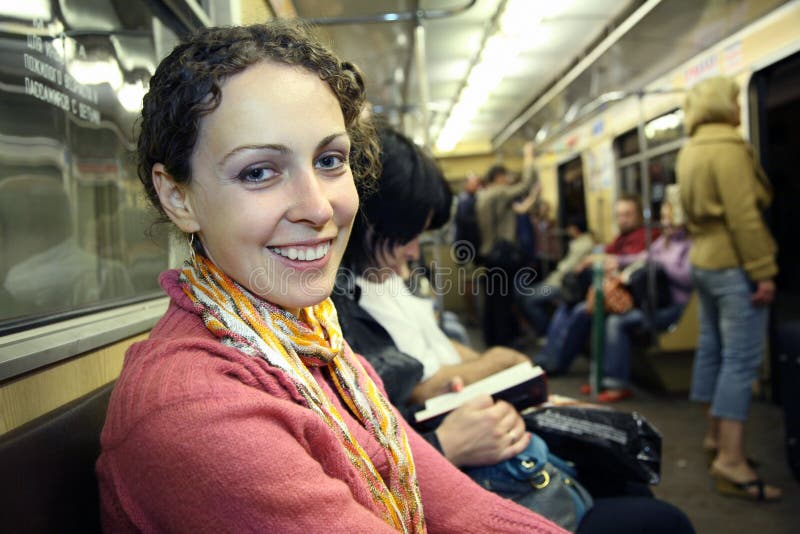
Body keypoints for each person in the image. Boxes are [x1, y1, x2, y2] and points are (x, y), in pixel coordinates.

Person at [95, 22, 567, 532]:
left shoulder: (316, 341)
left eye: (329, 160)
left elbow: (458, 506)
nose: (319, 208)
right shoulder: (196, 411)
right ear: (178, 197)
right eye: (259, 171)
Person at [335, 127, 694, 533]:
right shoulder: (346, 307)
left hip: (486, 424)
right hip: (468, 459)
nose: (415, 249)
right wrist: (504, 361)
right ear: (375, 224)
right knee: (661, 521)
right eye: (407, 235)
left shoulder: (391, 279)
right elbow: (417, 386)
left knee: (629, 480)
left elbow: (440, 347)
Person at [677, 75, 781, 501]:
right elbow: (744, 218)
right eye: (736, 100)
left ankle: (715, 438)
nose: (740, 107)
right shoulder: (730, 149)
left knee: (712, 349)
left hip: (703, 260)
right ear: (725, 105)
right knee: (740, 359)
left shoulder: (689, 150)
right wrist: (763, 270)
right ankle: (732, 461)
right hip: (733, 261)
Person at [536, 195, 656, 375]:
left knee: (580, 311)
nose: (622, 219)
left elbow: (637, 261)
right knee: (566, 305)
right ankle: (547, 357)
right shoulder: (622, 237)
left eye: (628, 215)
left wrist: (609, 260)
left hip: (628, 296)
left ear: (639, 215)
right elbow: (606, 253)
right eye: (619, 215)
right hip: (609, 290)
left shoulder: (647, 236)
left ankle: (557, 364)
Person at [590, 192, 692, 402]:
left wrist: (661, 265)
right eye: (663, 218)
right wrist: (617, 260)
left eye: (670, 218)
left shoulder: (690, 244)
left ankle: (616, 384)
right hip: (655, 303)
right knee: (608, 316)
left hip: (677, 307)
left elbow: (687, 278)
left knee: (617, 323)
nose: (666, 223)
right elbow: (642, 257)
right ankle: (604, 379)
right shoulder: (663, 241)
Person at [476, 152, 539, 347]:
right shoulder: (500, 193)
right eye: (506, 177)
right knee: (503, 300)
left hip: (489, 254)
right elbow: (526, 185)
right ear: (499, 177)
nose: (508, 180)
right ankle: (504, 342)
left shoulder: (484, 196)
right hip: (502, 255)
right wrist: (528, 158)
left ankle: (492, 339)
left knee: (493, 301)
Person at [515, 215, 595, 337]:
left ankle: (545, 331)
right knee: (521, 294)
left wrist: (559, 266)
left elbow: (566, 268)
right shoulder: (578, 243)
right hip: (554, 281)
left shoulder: (583, 245)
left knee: (529, 301)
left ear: (574, 229)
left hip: (559, 285)